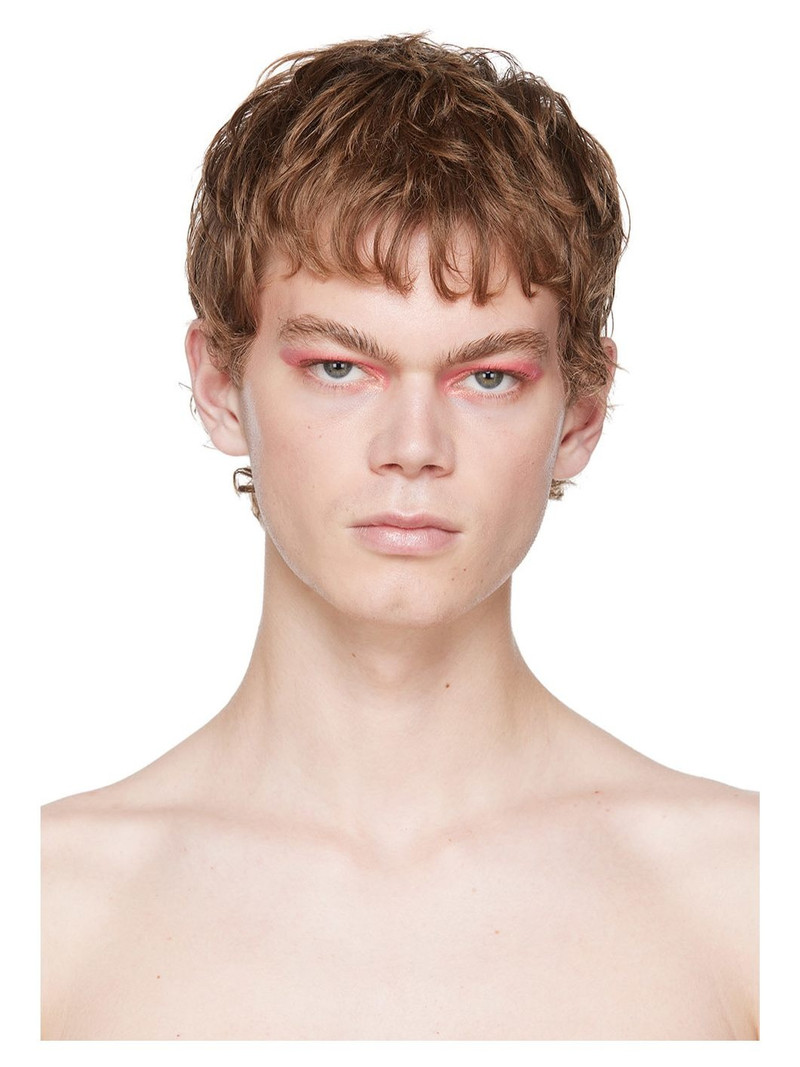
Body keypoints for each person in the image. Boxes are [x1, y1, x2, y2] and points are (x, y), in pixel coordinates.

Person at [40, 34, 758, 1040]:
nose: (413, 447)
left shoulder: (746, 899)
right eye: (340, 367)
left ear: (580, 415)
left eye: (487, 376)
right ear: (220, 388)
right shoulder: (48, 913)